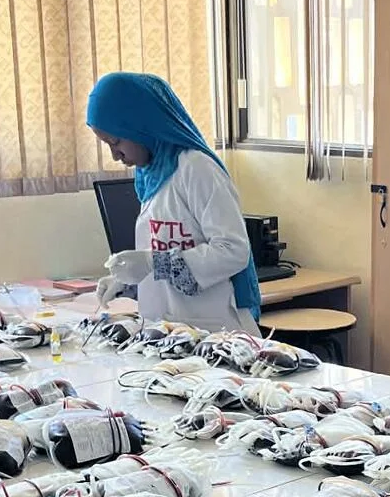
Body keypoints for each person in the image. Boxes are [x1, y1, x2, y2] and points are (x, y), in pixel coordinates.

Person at [88, 72, 261, 331]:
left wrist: (152, 263)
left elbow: (233, 251)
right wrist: (128, 281)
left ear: (141, 126)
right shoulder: (150, 175)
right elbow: (164, 255)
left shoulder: (196, 168)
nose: (115, 155)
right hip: (169, 329)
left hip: (214, 329)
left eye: (116, 141)